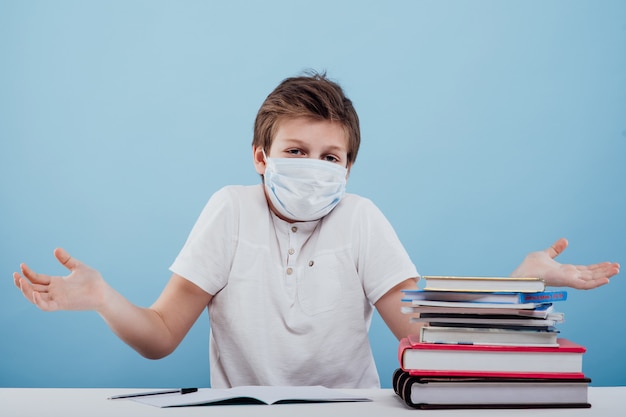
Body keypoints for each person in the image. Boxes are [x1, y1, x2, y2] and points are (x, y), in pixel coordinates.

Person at [13, 72, 620, 389]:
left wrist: (523, 280)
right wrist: (102, 298)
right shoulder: (228, 211)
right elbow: (162, 334)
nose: (314, 168)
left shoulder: (361, 220)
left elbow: (429, 336)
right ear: (260, 156)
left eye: (330, 158)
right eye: (296, 150)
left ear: (348, 168)